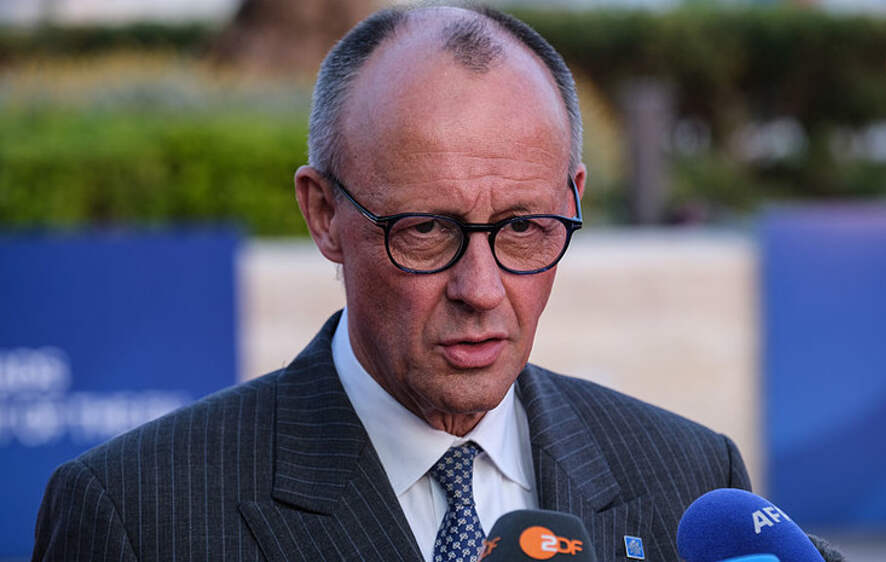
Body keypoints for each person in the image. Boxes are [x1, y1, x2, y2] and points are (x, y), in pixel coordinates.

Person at [33, 5, 750, 561]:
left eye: (524, 227)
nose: (481, 289)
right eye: (427, 229)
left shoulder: (693, 483)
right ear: (323, 214)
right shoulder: (138, 515)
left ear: (573, 199)